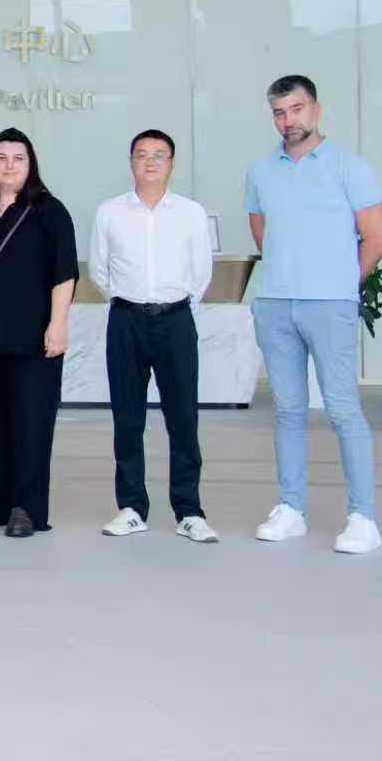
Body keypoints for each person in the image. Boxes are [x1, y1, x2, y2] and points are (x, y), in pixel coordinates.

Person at [245, 74, 382, 554]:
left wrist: (342, 282)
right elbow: (263, 233)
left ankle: (363, 518)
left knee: (343, 409)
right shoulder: (260, 171)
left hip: (330, 304)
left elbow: (377, 237)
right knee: (287, 410)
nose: (288, 120)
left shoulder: (350, 166)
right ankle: (291, 509)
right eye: (279, 112)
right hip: (275, 304)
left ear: (316, 110)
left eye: (297, 109)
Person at [90, 129, 218, 545]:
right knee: (127, 418)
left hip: (175, 320)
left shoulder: (191, 213)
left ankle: (189, 510)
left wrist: (172, 304)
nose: (150, 161)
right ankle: (131, 507)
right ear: (131, 163)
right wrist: (128, 302)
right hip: (125, 320)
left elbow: (201, 273)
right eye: (142, 154)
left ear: (171, 164)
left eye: (159, 155)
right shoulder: (109, 212)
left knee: (183, 418)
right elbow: (100, 270)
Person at [0, 128, 77, 538]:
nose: (9, 165)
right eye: (1, 158)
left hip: (34, 337)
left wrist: (58, 324)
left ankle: (26, 508)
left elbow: (64, 273)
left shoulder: (50, 211)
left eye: (18, 158)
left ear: (31, 165)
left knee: (31, 421)